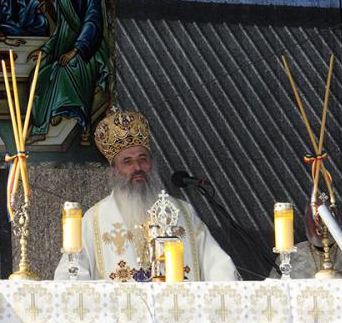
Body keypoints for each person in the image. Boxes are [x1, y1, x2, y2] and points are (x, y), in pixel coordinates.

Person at [53, 108, 237, 281]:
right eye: (127, 162)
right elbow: (71, 275)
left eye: (143, 159)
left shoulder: (182, 213)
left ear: (152, 163)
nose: (138, 168)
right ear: (113, 171)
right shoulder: (94, 219)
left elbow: (217, 264)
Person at [27, 0, 109, 144]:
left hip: (88, 48)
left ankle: (69, 119)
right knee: (41, 71)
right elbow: (62, 27)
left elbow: (92, 21)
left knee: (63, 69)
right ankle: (45, 118)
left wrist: (75, 50)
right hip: (66, 44)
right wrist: (45, 50)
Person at [269, 202, 342, 281]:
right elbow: (274, 295)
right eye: (314, 219)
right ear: (305, 222)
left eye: (326, 219)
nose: (320, 226)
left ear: (338, 221)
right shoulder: (290, 257)